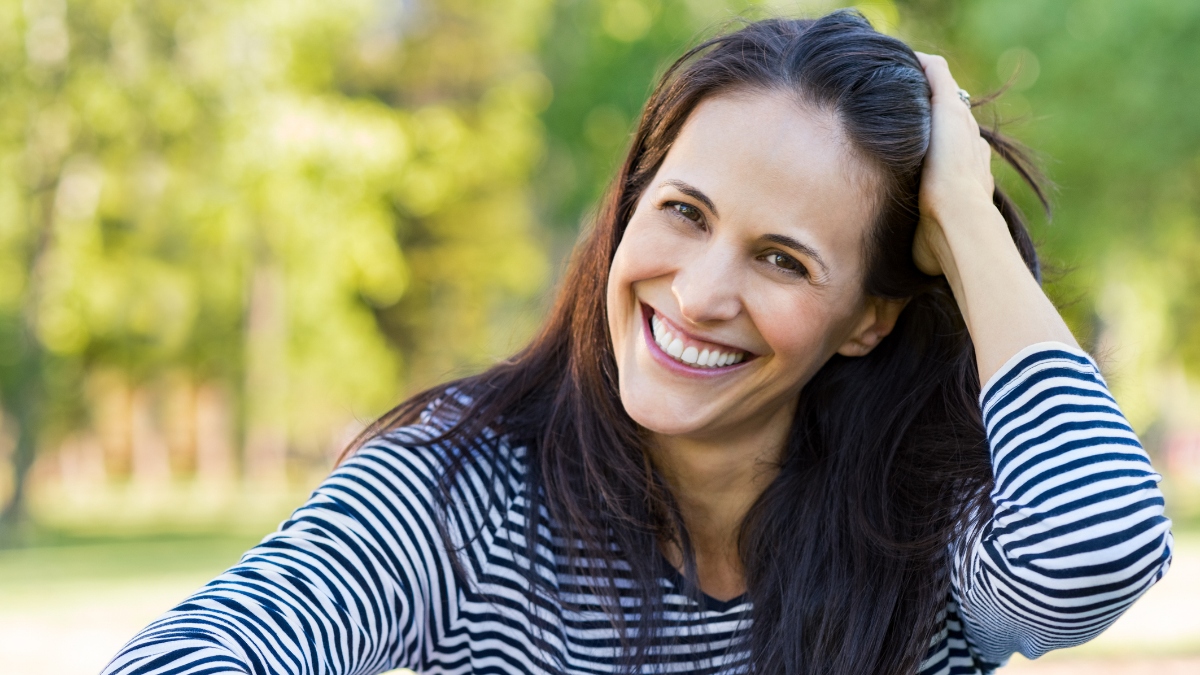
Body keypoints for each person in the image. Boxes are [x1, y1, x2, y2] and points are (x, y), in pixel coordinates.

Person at [103, 11, 1172, 675]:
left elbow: (1100, 549)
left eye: (783, 260)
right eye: (684, 212)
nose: (700, 293)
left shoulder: (924, 524)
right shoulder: (463, 486)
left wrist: (971, 225)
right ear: (628, 204)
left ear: (870, 320)